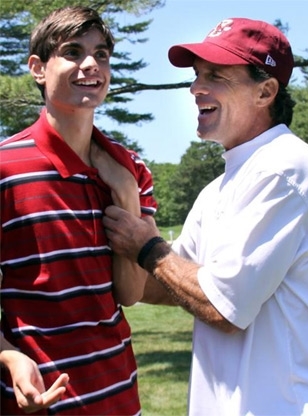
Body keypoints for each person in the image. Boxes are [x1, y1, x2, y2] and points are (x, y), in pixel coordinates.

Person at [100, 17, 308, 415]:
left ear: (266, 91)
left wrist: (146, 247)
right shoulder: (220, 187)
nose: (196, 88)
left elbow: (223, 307)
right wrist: (113, 218)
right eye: (198, 75)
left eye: (216, 76)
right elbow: (167, 284)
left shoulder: (285, 168)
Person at [0, 6, 157, 415]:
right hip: (38, 401)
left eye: (101, 54)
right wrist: (9, 356)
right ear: (38, 68)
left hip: (119, 395)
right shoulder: (4, 167)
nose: (91, 64)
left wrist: (124, 193)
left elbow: (130, 292)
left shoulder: (131, 169)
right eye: (72, 52)